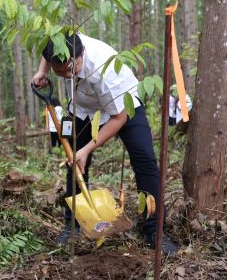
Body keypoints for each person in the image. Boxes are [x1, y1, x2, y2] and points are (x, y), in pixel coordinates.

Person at [32, 33, 179, 255]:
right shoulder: (64, 40)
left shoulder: (104, 71)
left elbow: (118, 118)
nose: (67, 76)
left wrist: (88, 147)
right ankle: (72, 225)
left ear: (80, 55)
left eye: (71, 70)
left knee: (145, 160)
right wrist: (43, 71)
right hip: (82, 108)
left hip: (122, 103)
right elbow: (48, 45)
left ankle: (154, 231)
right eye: (60, 72)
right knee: (75, 164)